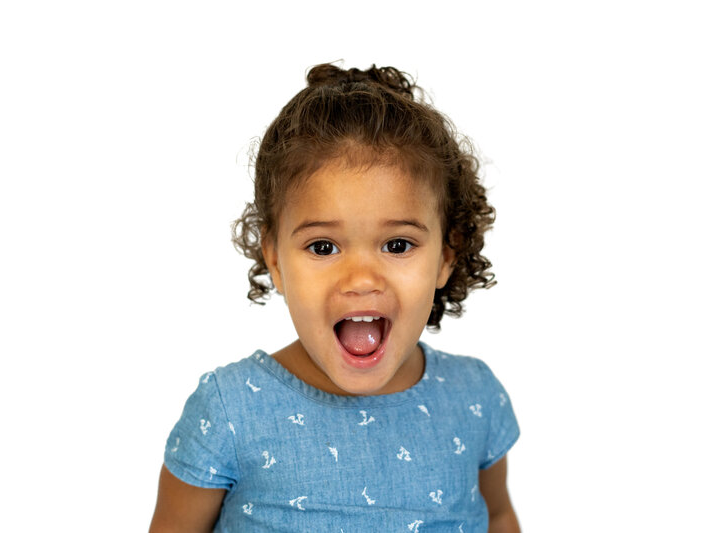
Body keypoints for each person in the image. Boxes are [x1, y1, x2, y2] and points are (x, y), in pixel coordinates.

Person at [149, 62, 522, 533]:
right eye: (323, 247)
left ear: (446, 257)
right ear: (276, 260)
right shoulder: (231, 410)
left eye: (397, 245)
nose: (361, 279)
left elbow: (500, 516)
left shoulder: (474, 399)